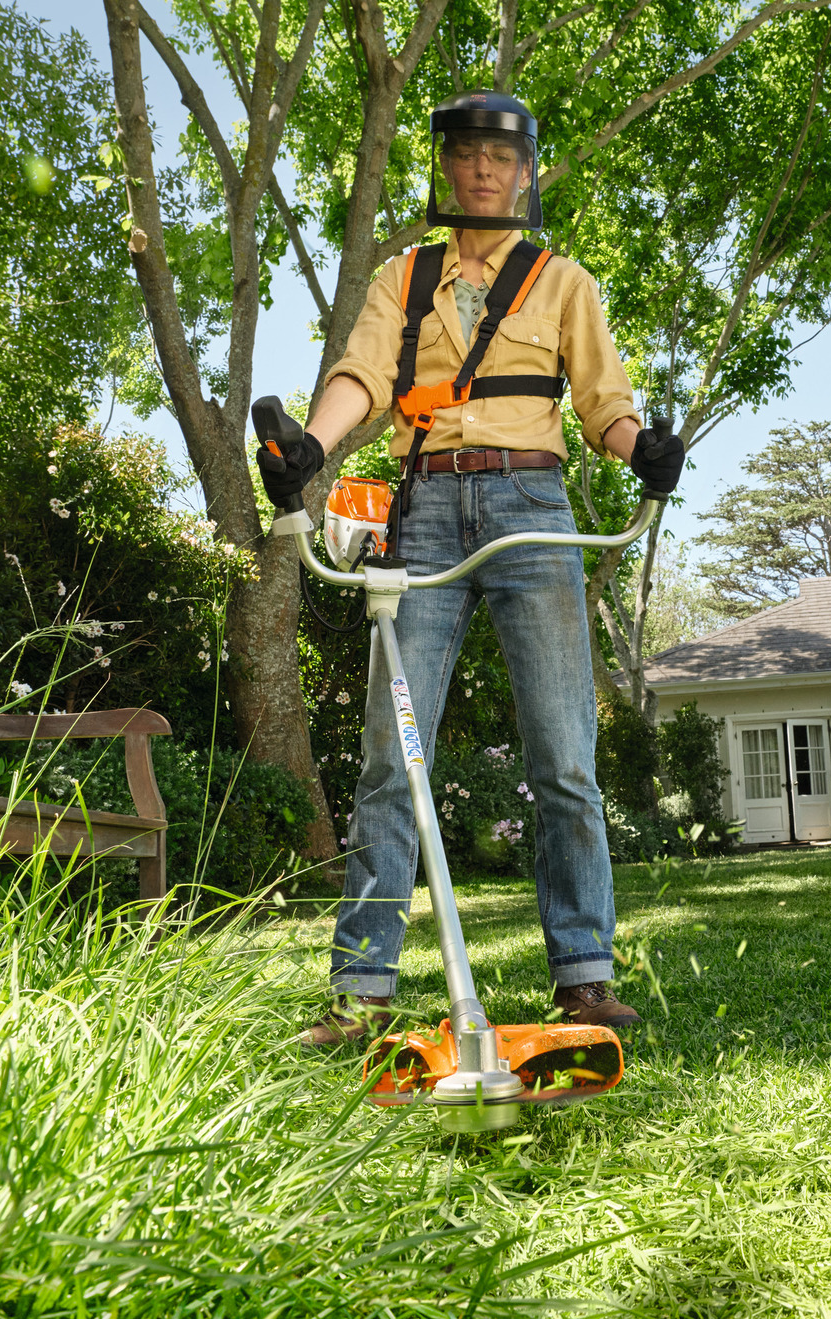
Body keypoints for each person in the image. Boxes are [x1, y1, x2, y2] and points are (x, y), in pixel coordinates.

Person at [260, 90, 682, 1046]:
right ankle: (362, 991)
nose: (483, 168)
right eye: (466, 153)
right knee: (388, 754)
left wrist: (639, 449)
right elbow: (359, 381)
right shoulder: (402, 279)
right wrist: (310, 450)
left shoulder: (564, 282)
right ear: (445, 166)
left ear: (527, 169)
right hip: (428, 508)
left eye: (501, 154)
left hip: (533, 509)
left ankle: (583, 977)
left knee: (564, 752)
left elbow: (602, 406)